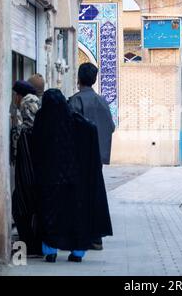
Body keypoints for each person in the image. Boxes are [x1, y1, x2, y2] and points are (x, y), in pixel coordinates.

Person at [32, 89, 113, 263]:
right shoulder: (80, 124)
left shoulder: (43, 121)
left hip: (50, 182)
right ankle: (77, 253)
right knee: (76, 217)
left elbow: (36, 150)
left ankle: (51, 251)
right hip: (75, 183)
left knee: (50, 216)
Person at [69, 63, 115, 251]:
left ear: (78, 79)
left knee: (78, 198)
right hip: (97, 159)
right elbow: (111, 127)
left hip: (78, 159)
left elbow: (68, 128)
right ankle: (96, 238)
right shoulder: (102, 101)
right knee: (95, 197)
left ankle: (80, 238)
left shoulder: (75, 101)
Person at [11, 80, 42, 256]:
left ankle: (28, 245)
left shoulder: (27, 135)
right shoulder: (37, 134)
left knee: (21, 208)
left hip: (27, 182)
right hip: (33, 181)